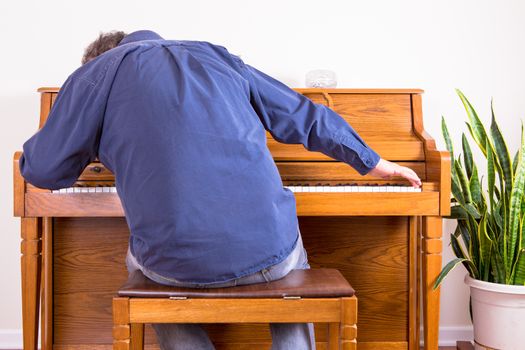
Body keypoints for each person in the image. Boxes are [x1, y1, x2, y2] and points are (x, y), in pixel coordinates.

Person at [19, 30, 421, 350]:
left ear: (98, 57)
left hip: (171, 269)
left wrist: (93, 143)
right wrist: (374, 162)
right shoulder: (218, 56)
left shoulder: (96, 75)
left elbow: (41, 169)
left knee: (139, 263)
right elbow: (304, 115)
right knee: (289, 248)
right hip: (269, 255)